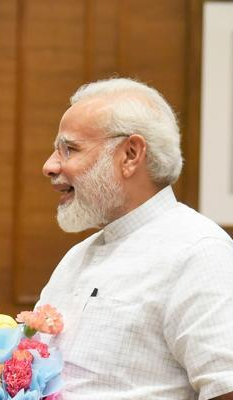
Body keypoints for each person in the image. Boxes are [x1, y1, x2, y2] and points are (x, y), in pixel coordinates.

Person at [38, 77, 233, 399]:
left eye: (69, 149)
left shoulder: (199, 252)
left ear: (130, 154)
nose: (49, 166)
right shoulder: (75, 257)